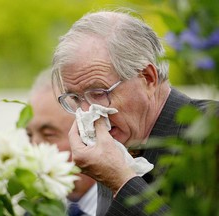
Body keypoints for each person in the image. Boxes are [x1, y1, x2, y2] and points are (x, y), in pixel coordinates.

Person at [50, 9, 219, 216]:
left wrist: (121, 181)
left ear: (148, 78)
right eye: (75, 99)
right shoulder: (118, 144)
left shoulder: (211, 131)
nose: (88, 112)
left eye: (98, 93)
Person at [26, 69, 97, 216]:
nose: (33, 147)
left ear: (88, 135)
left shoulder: (130, 203)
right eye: (29, 135)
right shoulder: (36, 210)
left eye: (48, 135)